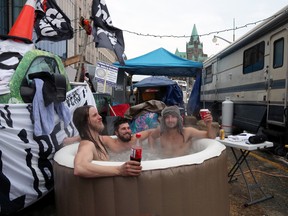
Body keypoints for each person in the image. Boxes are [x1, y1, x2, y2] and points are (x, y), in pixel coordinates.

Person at [72, 105, 142, 178]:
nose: (100, 117)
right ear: (86, 122)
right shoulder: (88, 144)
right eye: (95, 115)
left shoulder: (99, 140)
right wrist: (119, 170)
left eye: (98, 114)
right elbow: (79, 167)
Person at [149, 105, 217, 158]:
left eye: (173, 117)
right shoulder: (161, 131)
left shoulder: (187, 132)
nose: (170, 120)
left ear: (178, 119)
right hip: (163, 161)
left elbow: (211, 136)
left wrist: (209, 125)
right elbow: (151, 137)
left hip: (181, 165)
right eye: (167, 117)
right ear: (164, 120)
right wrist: (152, 149)